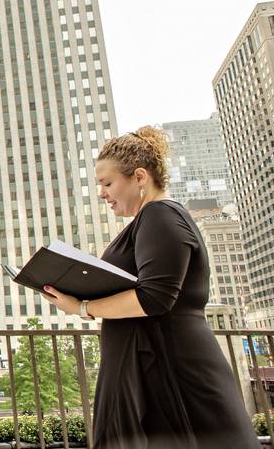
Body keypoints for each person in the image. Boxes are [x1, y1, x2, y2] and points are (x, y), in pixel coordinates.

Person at [42, 127, 258, 448]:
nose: (101, 192)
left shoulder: (160, 215)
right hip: (153, 362)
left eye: (107, 182)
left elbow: (154, 298)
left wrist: (81, 308)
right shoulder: (150, 220)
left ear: (140, 176)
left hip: (172, 367)